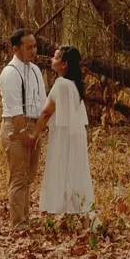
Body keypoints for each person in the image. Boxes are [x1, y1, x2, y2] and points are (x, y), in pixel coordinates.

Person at [31, 45, 94, 217]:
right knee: (74, 168)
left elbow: (46, 112)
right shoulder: (75, 85)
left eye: (56, 57)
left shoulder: (61, 84)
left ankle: (59, 208)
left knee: (59, 166)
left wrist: (33, 134)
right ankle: (74, 207)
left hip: (63, 134)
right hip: (75, 134)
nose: (52, 59)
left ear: (64, 64)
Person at [0, 28, 47, 227]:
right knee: (18, 177)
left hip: (34, 126)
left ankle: (25, 217)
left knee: (29, 177)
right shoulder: (10, 73)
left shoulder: (34, 70)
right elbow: (16, 110)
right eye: (29, 47)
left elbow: (42, 102)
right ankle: (18, 223)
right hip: (16, 128)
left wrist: (38, 130)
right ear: (16, 49)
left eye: (35, 46)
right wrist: (25, 133)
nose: (33, 51)